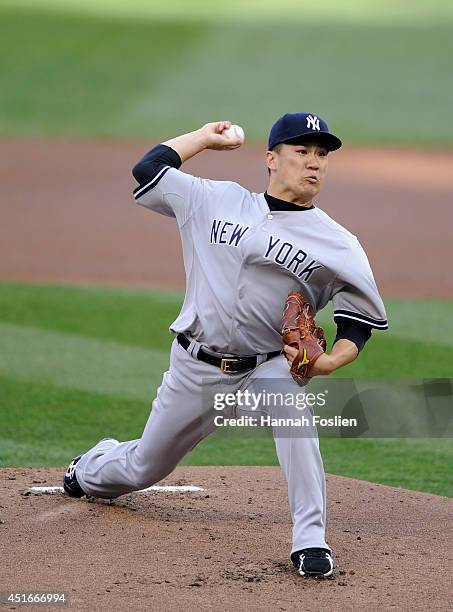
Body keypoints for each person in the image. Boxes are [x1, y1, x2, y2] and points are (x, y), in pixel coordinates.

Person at [63, 113, 388, 578]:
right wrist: (202, 139)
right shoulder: (213, 199)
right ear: (272, 159)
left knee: (297, 427)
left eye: (322, 155)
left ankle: (311, 541)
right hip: (196, 367)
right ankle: (90, 467)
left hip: (269, 368)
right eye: (302, 152)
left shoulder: (340, 244)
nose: (314, 163)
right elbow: (148, 170)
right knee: (143, 468)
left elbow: (358, 321)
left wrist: (337, 357)